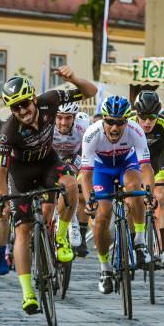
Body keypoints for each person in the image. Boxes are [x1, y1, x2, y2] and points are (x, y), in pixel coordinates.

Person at [0, 67, 96, 314]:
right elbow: (0, 170)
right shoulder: (9, 131)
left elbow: (90, 91)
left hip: (49, 162)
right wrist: (0, 197)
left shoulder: (50, 101)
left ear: (33, 98)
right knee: (23, 231)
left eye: (25, 104)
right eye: (15, 108)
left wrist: (73, 79)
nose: (22, 111)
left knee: (71, 184)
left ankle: (61, 235)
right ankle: (28, 292)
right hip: (22, 174)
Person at [80, 96, 154, 295]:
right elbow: (85, 175)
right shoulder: (91, 134)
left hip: (126, 164)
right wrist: (89, 201)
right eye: (110, 122)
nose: (114, 127)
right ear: (103, 120)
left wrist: (149, 191)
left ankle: (139, 240)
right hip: (101, 169)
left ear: (126, 121)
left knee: (134, 188)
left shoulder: (135, 131)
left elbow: (145, 166)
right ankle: (105, 268)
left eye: (120, 122)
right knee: (102, 215)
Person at [132, 91, 164, 268]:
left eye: (152, 117)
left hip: (157, 159)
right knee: (132, 197)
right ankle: (132, 241)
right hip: (134, 161)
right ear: (137, 114)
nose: (147, 122)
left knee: (163, 195)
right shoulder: (128, 124)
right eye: (143, 117)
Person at [51, 101, 91, 257]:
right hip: (52, 159)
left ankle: (75, 225)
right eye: (59, 118)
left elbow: (87, 152)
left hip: (73, 158)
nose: (63, 122)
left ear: (74, 118)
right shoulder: (48, 127)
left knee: (75, 184)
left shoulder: (83, 127)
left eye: (68, 118)